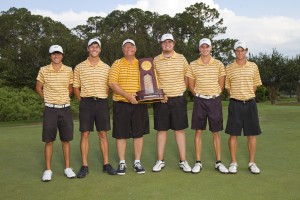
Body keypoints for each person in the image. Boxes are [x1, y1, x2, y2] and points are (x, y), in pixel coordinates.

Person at [73, 38, 116, 178]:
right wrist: (82, 102)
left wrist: (102, 97)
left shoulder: (107, 67)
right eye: (92, 46)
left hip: (102, 102)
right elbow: (76, 87)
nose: (94, 49)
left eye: (97, 46)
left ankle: (106, 164)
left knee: (103, 133)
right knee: (85, 133)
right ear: (88, 49)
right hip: (86, 102)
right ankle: (84, 166)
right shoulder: (79, 67)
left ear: (100, 49)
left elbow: (109, 87)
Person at [187, 38, 229, 174]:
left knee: (216, 132)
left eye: (207, 46)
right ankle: (198, 162)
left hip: (214, 101)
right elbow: (191, 86)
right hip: (199, 101)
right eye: (202, 47)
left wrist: (213, 94)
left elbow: (221, 85)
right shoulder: (193, 64)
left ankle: (218, 162)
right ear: (199, 48)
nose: (205, 49)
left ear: (211, 48)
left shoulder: (218, 64)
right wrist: (199, 94)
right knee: (198, 131)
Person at [109, 39, 149, 175]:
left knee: (138, 133)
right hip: (121, 103)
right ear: (123, 50)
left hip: (139, 104)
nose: (129, 48)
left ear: (135, 49)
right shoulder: (117, 63)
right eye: (126, 47)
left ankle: (137, 162)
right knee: (121, 135)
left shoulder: (143, 64)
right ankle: (122, 162)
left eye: (131, 46)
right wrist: (128, 96)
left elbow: (149, 82)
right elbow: (113, 83)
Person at [152, 33, 191, 173]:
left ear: (173, 44)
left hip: (178, 99)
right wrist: (159, 94)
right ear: (161, 44)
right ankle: (160, 161)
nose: (167, 44)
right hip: (162, 100)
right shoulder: (155, 60)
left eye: (170, 42)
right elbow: (152, 80)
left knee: (179, 130)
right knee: (161, 131)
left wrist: (182, 89)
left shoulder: (181, 58)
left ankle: (183, 161)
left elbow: (188, 75)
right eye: (164, 42)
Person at [36, 45, 76, 182]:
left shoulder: (69, 70)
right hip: (50, 109)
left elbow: (70, 88)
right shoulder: (44, 70)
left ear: (62, 55)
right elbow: (38, 87)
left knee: (66, 140)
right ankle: (48, 170)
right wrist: (47, 99)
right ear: (50, 56)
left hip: (65, 108)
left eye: (58, 54)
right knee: (49, 140)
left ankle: (67, 168)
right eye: (53, 54)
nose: (56, 56)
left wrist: (62, 98)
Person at [225, 41, 262, 174]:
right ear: (234, 52)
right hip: (235, 104)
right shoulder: (228, 68)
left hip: (250, 104)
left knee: (251, 134)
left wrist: (247, 95)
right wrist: (237, 96)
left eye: (242, 50)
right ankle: (233, 162)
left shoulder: (253, 66)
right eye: (237, 50)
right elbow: (227, 87)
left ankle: (252, 162)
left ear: (246, 51)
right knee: (233, 134)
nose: (240, 53)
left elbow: (255, 85)